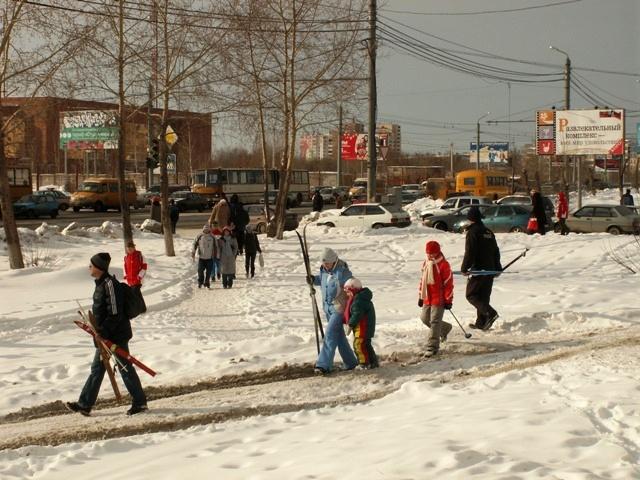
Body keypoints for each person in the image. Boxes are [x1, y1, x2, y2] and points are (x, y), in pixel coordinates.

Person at [66, 253, 147, 416]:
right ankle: (84, 404)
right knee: (97, 369)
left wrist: (103, 332)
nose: (89, 267)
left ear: (99, 267)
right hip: (105, 336)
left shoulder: (110, 284)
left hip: (115, 336)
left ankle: (140, 402)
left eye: (91, 265)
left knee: (124, 368)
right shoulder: (101, 284)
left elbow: (115, 314)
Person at [311, 248, 358, 374]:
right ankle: (351, 362)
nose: (325, 265)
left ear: (334, 261)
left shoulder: (343, 273)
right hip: (328, 309)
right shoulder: (324, 271)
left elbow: (353, 285)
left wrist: (352, 306)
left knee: (330, 335)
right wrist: (312, 280)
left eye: (327, 263)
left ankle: (323, 365)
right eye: (323, 263)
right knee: (339, 337)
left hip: (339, 309)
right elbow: (322, 280)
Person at [461, 206, 502, 331]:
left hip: (478, 269)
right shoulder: (488, 232)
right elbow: (496, 251)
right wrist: (497, 268)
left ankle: (490, 312)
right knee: (483, 296)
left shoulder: (473, 232)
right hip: (490, 269)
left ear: (470, 219)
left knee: (471, 295)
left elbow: (470, 252)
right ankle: (481, 322)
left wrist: (465, 267)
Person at [418, 240, 453, 357]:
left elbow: (448, 283)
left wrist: (448, 300)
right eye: (428, 253)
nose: (430, 255)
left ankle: (432, 346)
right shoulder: (426, 263)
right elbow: (422, 281)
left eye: (432, 253)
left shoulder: (444, 265)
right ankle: (446, 328)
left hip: (439, 298)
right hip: (427, 297)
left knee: (435, 321)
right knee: (424, 318)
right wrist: (420, 296)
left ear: (438, 252)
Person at [343, 277, 378, 369]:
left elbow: (357, 315)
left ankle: (363, 363)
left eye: (348, 291)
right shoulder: (361, 298)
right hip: (366, 327)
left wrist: (350, 324)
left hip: (363, 327)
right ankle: (373, 362)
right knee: (366, 345)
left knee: (358, 345)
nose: (347, 294)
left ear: (354, 290)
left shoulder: (358, 301)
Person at [123, 240, 147, 313]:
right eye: (128, 248)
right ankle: (142, 308)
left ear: (134, 248)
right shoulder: (126, 257)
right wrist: (125, 275)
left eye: (131, 248)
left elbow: (144, 267)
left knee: (135, 293)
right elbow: (124, 267)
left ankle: (139, 309)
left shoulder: (140, 256)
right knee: (137, 294)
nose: (129, 250)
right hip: (130, 279)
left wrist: (139, 276)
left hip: (138, 279)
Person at [191, 225, 216, 289]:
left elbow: (216, 246)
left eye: (207, 229)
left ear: (209, 230)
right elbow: (194, 244)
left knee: (208, 272)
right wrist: (193, 252)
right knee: (200, 271)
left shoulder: (212, 237)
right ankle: (200, 282)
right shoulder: (199, 236)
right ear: (203, 230)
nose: (206, 230)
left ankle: (207, 283)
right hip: (201, 258)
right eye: (205, 229)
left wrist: (216, 255)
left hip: (210, 258)